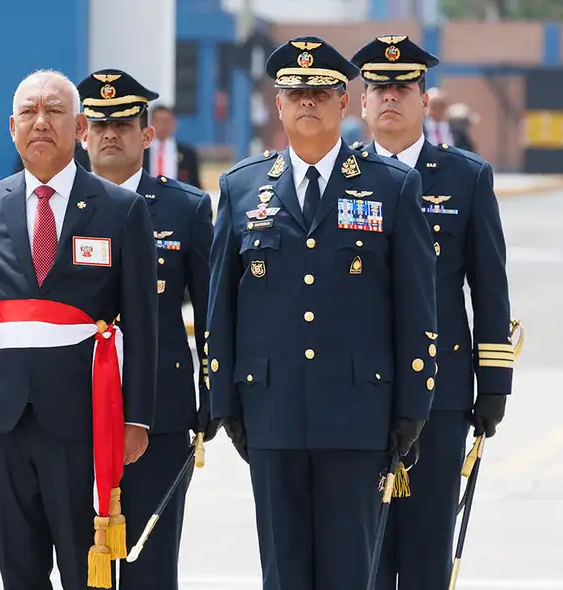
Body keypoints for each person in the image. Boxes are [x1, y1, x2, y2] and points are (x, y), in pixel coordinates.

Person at [206, 35, 438, 590]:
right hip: (271, 413)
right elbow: (221, 307)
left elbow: (415, 305)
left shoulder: (392, 187)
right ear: (278, 105)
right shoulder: (241, 188)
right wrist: (225, 403)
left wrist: (411, 407)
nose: (307, 100)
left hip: (358, 414)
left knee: (348, 571)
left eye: (322, 91)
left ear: (343, 102)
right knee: (282, 574)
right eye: (294, 91)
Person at [0, 69, 158, 590]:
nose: (41, 123)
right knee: (19, 569)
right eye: (29, 113)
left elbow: (144, 323)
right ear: (11, 127)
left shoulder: (121, 209)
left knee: (84, 567)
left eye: (55, 112)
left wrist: (138, 418)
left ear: (80, 127)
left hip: (82, 417)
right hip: (1, 417)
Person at [351, 35, 513, 590]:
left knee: (427, 549)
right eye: (378, 88)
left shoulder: (465, 177)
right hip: (360, 389)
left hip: (441, 392)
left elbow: (489, 286)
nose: (390, 97)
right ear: (363, 103)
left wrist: (493, 383)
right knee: (366, 550)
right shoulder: (341, 179)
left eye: (403, 87)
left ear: (425, 100)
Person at [77, 68, 220, 589]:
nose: (111, 132)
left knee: (150, 560)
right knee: (81, 557)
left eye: (124, 123)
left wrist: (214, 389)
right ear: (82, 134)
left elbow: (210, 308)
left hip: (159, 410)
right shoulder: (53, 206)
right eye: (99, 123)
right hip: (73, 408)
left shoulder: (186, 207)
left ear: (147, 134)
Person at [145, 106, 202, 188]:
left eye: (166, 121)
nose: (162, 126)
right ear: (151, 123)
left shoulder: (187, 153)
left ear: (174, 123)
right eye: (158, 121)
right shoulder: (141, 151)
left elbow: (195, 184)